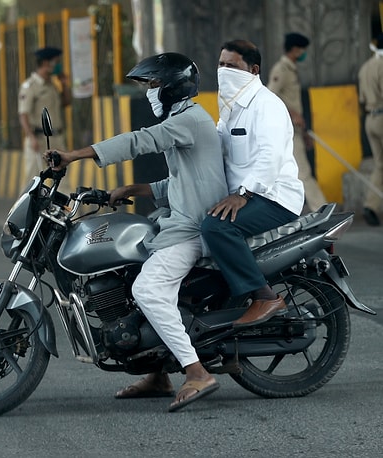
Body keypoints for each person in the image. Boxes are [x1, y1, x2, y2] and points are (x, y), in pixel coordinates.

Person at [45, 52, 227, 412]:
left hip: (193, 229)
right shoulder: (183, 117)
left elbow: (139, 141)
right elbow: (182, 181)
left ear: (174, 87)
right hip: (179, 218)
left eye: (154, 84)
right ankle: (158, 373)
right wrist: (133, 189)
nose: (149, 91)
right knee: (131, 280)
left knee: (148, 288)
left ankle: (197, 371)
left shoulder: (189, 119)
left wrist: (75, 155)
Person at [202, 39, 305, 328]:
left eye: (231, 65)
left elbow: (270, 158)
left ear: (253, 69)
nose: (223, 71)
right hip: (246, 195)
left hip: (274, 197)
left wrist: (244, 194)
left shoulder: (267, 105)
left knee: (216, 226)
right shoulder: (231, 108)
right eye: (221, 64)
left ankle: (264, 296)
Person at [268, 32, 327, 213]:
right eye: (302, 50)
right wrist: (292, 114)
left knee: (296, 173)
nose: (304, 53)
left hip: (296, 130)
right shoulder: (281, 70)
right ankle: (322, 210)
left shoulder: (292, 69)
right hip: (287, 130)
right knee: (303, 173)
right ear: (294, 50)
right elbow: (270, 97)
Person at [18, 46, 71, 184]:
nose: (58, 65)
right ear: (47, 63)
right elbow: (23, 114)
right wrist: (31, 137)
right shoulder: (30, 86)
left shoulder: (52, 85)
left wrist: (64, 85)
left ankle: (65, 206)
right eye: (56, 62)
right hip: (39, 139)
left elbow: (66, 103)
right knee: (34, 180)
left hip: (56, 138)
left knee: (61, 180)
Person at [357, 34, 383, 227]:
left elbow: (362, 100)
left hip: (370, 119)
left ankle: (371, 205)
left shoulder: (366, 67)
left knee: (380, 165)